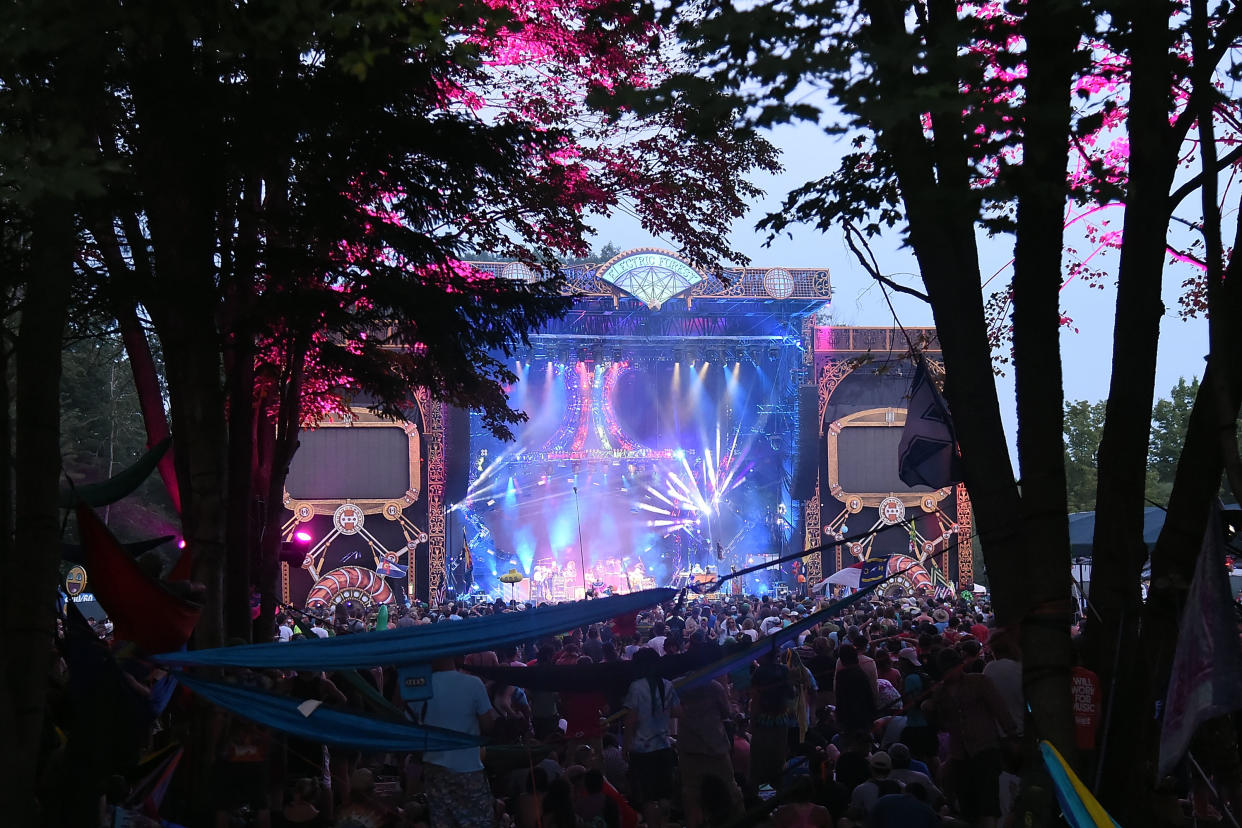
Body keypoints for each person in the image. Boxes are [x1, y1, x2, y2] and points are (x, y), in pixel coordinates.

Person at [927, 647, 1016, 828]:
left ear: (960, 665)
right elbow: (942, 725)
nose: (950, 671)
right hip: (959, 754)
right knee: (968, 804)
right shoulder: (939, 694)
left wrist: (1011, 737)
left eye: (953, 666)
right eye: (946, 668)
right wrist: (930, 710)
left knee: (988, 803)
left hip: (986, 748)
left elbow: (1001, 711)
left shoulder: (979, 682)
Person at [417, 656, 498, 828]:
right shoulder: (473, 684)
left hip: (434, 767)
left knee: (442, 821)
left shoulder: (420, 686)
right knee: (477, 821)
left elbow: (411, 724)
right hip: (467, 767)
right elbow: (488, 725)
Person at [623, 648, 681, 828]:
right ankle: (664, 823)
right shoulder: (667, 684)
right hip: (663, 746)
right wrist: (660, 712)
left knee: (647, 797)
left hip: (642, 751)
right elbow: (679, 712)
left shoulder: (636, 687)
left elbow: (631, 721)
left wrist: (626, 745)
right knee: (664, 794)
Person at [677, 678, 742, 827]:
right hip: (716, 747)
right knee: (729, 788)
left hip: (689, 749)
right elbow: (726, 712)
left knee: (691, 793)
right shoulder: (714, 686)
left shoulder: (679, 685)